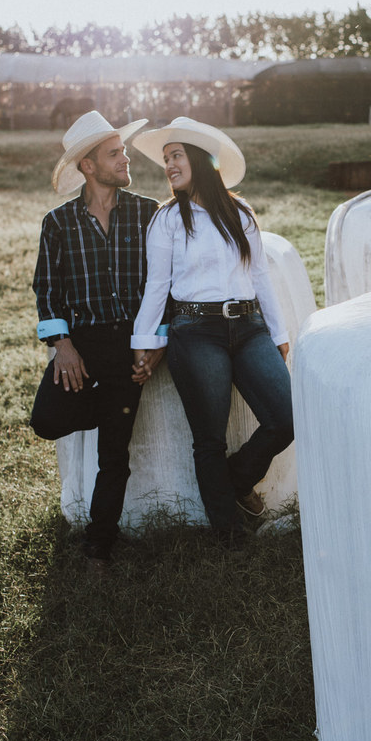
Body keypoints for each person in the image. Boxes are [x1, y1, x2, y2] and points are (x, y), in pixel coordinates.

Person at [129, 117, 294, 542]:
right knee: (209, 439)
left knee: (288, 416)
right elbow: (157, 286)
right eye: (165, 159)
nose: (168, 165)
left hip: (249, 326)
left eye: (176, 155)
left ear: (200, 159)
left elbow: (259, 276)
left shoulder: (240, 213)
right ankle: (229, 534)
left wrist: (278, 334)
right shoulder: (167, 220)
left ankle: (236, 481)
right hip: (195, 330)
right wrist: (144, 341)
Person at [29, 110, 164, 567]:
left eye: (122, 150)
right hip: (81, 345)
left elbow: (165, 283)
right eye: (114, 153)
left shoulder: (150, 214)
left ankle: (98, 544)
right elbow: (46, 288)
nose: (125, 158)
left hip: (130, 343)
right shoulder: (59, 223)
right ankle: (107, 404)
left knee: (115, 454)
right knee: (46, 421)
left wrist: (156, 341)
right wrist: (61, 346)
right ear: (88, 165)